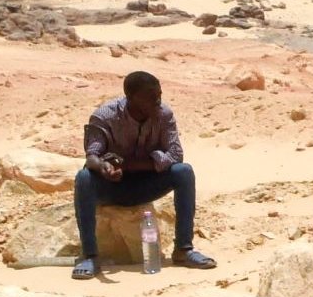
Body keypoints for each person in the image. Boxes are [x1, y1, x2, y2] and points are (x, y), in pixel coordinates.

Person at [72, 70, 216, 279]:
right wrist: (103, 166)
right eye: (150, 96)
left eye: (159, 94)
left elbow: (176, 155)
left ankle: (184, 249)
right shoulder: (105, 115)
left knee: (184, 172)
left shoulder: (164, 115)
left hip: (147, 183)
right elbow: (92, 156)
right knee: (84, 178)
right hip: (112, 185)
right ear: (131, 98)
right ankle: (90, 256)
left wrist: (129, 165)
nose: (157, 100)